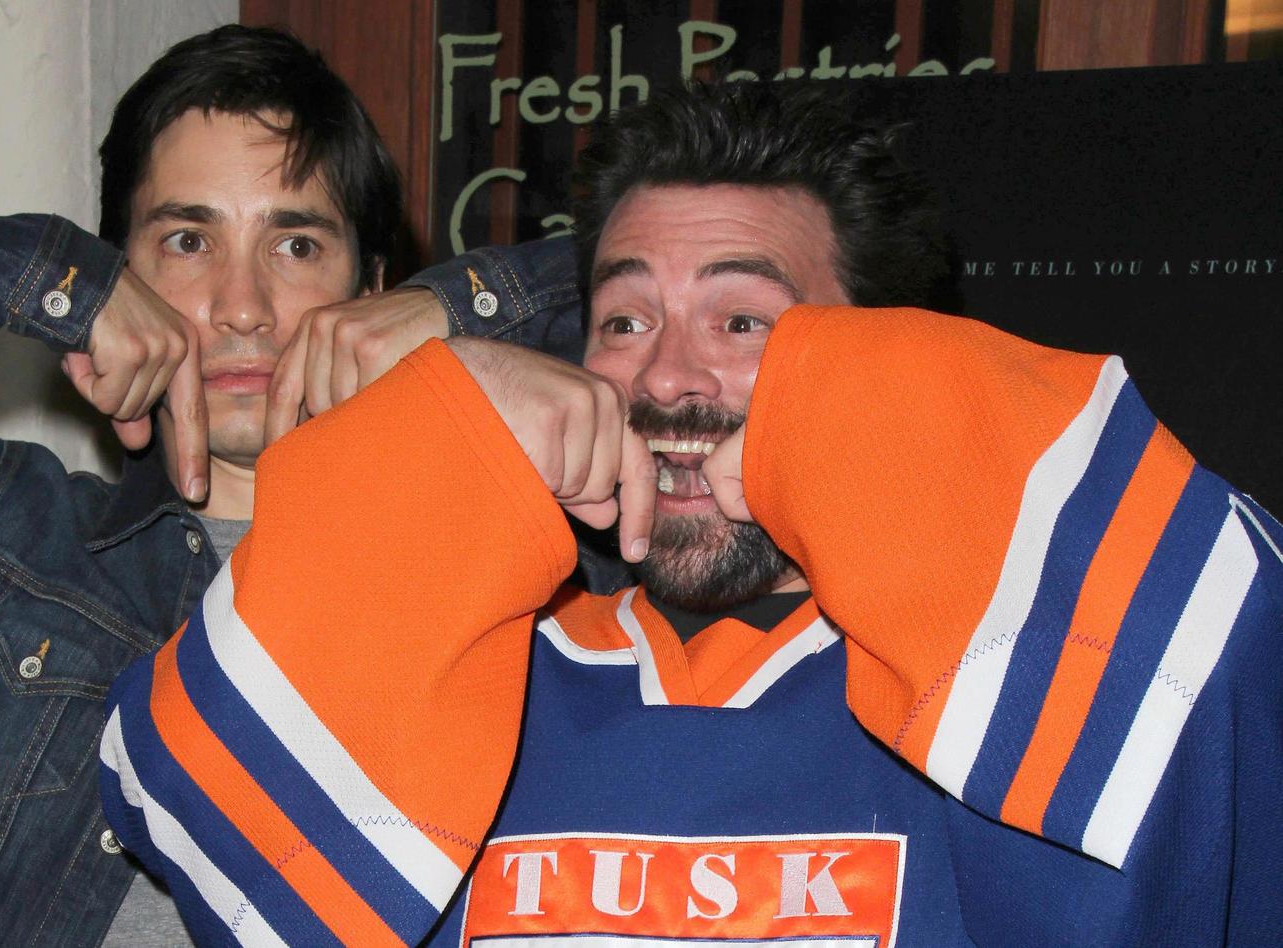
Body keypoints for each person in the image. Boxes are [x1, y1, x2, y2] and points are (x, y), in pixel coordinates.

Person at [101, 80, 1283, 946]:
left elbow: (1230, 643)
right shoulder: (490, 659)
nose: (666, 380)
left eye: (742, 322)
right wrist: (445, 417)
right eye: (622, 321)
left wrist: (854, 416)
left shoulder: (1003, 670)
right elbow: (182, 795)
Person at [0, 25, 574, 946]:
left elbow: (737, 310)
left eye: (295, 246)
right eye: (186, 240)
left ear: (373, 290)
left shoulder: (528, 574)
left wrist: (456, 311)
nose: (242, 305)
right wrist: (31, 271)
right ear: (118, 277)